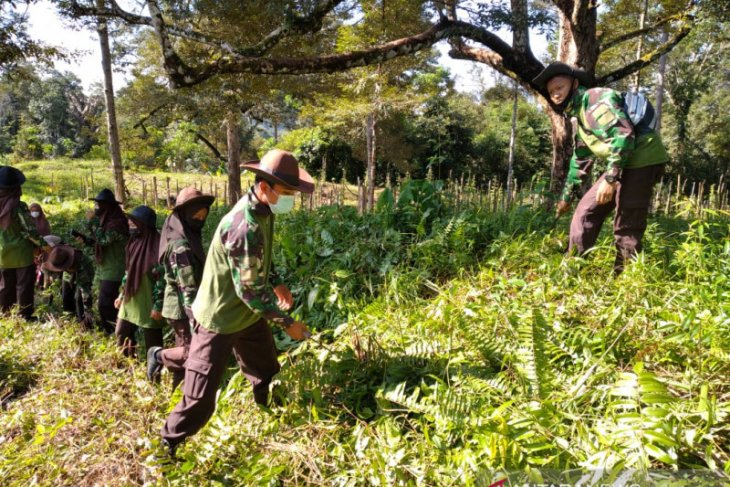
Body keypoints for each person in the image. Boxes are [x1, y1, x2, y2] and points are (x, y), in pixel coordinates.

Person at [154, 149, 313, 456]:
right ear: (264, 187)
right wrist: (288, 324)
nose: (291, 199)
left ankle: (272, 416)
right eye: (287, 193)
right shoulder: (244, 225)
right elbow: (250, 292)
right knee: (200, 397)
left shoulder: (264, 209)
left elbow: (257, 260)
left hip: (249, 316)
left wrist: (277, 280)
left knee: (266, 370)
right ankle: (167, 444)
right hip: (219, 319)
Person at [533, 62, 669, 274]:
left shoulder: (595, 100)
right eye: (551, 92)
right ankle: (572, 269)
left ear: (575, 84)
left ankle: (626, 282)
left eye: (559, 88)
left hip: (643, 158)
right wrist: (566, 198)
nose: (556, 95)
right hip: (622, 162)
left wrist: (610, 179)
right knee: (585, 211)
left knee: (626, 222)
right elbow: (580, 159)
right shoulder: (580, 116)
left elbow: (623, 135)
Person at [146, 187, 214, 389]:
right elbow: (187, 287)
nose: (200, 218)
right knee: (190, 352)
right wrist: (195, 318)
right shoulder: (180, 245)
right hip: (182, 307)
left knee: (185, 350)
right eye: (196, 214)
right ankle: (158, 355)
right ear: (184, 214)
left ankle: (178, 391)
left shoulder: (188, 235)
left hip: (186, 305)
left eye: (203, 215)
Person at [114, 205, 165, 358]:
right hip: (131, 297)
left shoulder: (157, 246)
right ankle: (126, 365)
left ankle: (154, 375)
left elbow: (161, 280)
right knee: (121, 333)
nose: (129, 225)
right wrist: (121, 295)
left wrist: (158, 305)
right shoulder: (133, 243)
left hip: (148, 300)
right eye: (129, 222)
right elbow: (128, 273)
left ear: (144, 225)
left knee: (153, 343)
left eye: (133, 222)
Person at [77, 188, 128, 333]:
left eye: (99, 205)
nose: (96, 208)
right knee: (101, 301)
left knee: (106, 304)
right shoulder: (106, 222)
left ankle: (113, 331)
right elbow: (98, 243)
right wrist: (86, 241)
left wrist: (92, 221)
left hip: (115, 268)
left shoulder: (116, 223)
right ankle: (110, 329)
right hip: (104, 267)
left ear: (108, 206)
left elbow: (103, 240)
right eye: (96, 205)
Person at [0, 166, 43, 320]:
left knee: (5, 285)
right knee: (24, 286)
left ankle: (5, 313)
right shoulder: (18, 207)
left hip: (3, 253)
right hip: (22, 253)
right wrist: (44, 246)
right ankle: (25, 316)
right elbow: (29, 231)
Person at [43, 244, 95, 328]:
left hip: (82, 270)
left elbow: (85, 292)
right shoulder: (58, 258)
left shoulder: (81, 265)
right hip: (68, 272)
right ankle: (70, 318)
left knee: (79, 298)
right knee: (66, 296)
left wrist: (87, 310)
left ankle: (84, 323)